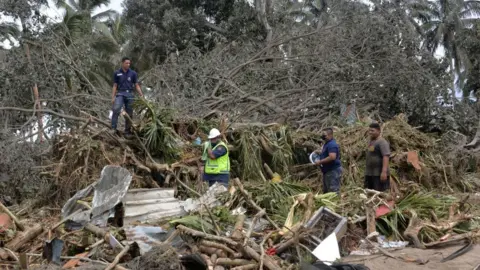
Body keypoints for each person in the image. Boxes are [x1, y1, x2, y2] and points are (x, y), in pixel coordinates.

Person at [111, 57, 144, 135]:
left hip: (129, 94)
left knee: (129, 113)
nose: (128, 65)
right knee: (116, 109)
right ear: (122, 63)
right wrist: (113, 97)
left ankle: (127, 131)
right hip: (120, 93)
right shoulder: (117, 73)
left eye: (129, 63)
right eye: (126, 63)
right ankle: (113, 128)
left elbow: (136, 85)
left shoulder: (133, 73)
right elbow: (115, 86)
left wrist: (141, 95)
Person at [315, 128, 342, 194]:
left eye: (325, 135)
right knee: (327, 191)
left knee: (333, 191)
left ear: (330, 135)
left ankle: (335, 203)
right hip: (328, 171)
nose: (323, 137)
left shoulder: (332, 144)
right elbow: (327, 153)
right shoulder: (327, 143)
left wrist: (320, 162)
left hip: (333, 171)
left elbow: (332, 157)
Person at [365, 122, 390, 191]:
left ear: (379, 131)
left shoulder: (382, 142)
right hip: (370, 173)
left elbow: (386, 156)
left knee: (379, 194)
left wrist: (384, 172)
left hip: (378, 174)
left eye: (372, 130)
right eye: (369, 130)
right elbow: (372, 153)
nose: (370, 132)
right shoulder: (372, 142)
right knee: (369, 193)